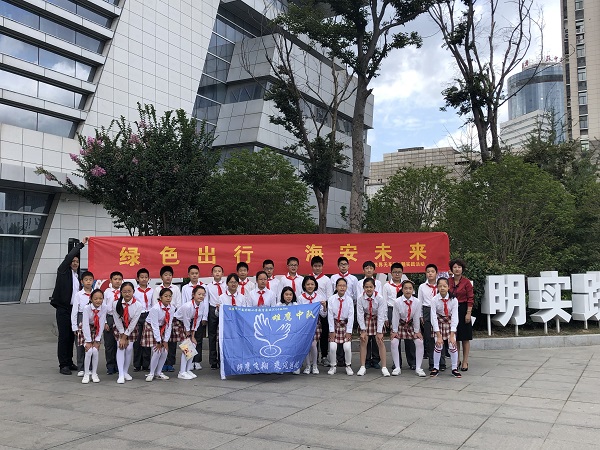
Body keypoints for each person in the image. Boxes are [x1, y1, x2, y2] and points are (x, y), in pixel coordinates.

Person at [51, 236, 88, 375]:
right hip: (63, 309)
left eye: (77, 262)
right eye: (73, 261)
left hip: (74, 310)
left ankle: (69, 361)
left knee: (72, 337)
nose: (75, 263)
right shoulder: (63, 271)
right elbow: (69, 257)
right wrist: (81, 245)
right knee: (64, 337)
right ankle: (63, 364)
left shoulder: (77, 277)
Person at [391, 280, 426, 377]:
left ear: (413, 290)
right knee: (394, 342)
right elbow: (395, 317)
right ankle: (397, 367)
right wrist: (394, 331)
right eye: (405, 288)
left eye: (410, 288)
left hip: (411, 324)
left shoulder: (417, 301)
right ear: (402, 290)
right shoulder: (397, 301)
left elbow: (416, 317)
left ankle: (418, 367)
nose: (408, 290)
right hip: (400, 324)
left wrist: (417, 331)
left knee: (419, 342)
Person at [382, 263, 414, 369]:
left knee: (409, 337)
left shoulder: (406, 284)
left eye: (399, 272)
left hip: (406, 310)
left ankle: (412, 361)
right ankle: (397, 362)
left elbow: (412, 298)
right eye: (395, 272)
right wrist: (385, 317)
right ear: (391, 273)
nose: (397, 274)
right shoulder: (387, 286)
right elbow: (384, 302)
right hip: (392, 310)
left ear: (402, 273)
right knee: (395, 337)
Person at [356, 277, 389, 377]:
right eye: (366, 287)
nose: (369, 289)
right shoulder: (360, 298)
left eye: (371, 287)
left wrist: (379, 331)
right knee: (363, 340)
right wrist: (363, 330)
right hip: (366, 318)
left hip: (377, 318)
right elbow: (360, 314)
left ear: (374, 287)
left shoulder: (380, 298)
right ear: (363, 288)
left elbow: (381, 314)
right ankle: (362, 366)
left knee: (380, 341)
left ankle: (384, 367)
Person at [430, 277, 461, 378]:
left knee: (452, 345)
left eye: (444, 286)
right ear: (437, 287)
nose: (442, 288)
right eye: (440, 286)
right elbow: (433, 318)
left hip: (450, 323)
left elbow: (455, 317)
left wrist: (452, 335)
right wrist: (438, 335)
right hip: (439, 323)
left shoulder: (454, 300)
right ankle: (436, 367)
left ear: (448, 287)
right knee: (438, 345)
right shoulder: (434, 300)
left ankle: (454, 368)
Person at [174, 285, 207, 379]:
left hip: (189, 324)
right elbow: (186, 320)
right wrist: (188, 334)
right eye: (199, 294)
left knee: (193, 345)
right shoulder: (187, 306)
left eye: (203, 295)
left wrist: (193, 335)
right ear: (193, 294)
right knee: (187, 346)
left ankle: (188, 369)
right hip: (178, 323)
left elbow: (197, 320)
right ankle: (182, 372)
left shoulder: (202, 305)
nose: (201, 296)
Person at [141, 288, 174, 382]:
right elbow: (154, 325)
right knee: (157, 350)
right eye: (166, 296)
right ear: (160, 297)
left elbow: (169, 324)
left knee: (165, 351)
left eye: (170, 296)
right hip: (151, 327)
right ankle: (151, 373)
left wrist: (166, 340)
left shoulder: (172, 308)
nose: (168, 298)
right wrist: (159, 341)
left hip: (163, 327)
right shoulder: (155, 308)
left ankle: (159, 372)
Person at [113, 282, 143, 384]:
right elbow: (117, 320)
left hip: (131, 328)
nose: (127, 294)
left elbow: (133, 322)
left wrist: (125, 336)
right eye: (124, 292)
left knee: (129, 348)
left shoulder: (138, 305)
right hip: (120, 327)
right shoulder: (115, 304)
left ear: (133, 292)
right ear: (121, 292)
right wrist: (122, 336)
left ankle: (125, 371)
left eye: (129, 291)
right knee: (121, 347)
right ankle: (121, 374)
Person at [449, 258, 474, 371]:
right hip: (451, 311)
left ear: (462, 269)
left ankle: (465, 361)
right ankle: (457, 360)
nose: (457, 269)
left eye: (459, 267)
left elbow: (470, 298)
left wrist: (468, 313)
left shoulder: (466, 282)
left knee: (465, 337)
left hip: (463, 310)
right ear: (451, 269)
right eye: (454, 267)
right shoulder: (448, 281)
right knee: (456, 336)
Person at [154, 265, 181, 373]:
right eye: (166, 275)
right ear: (161, 277)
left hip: (172, 316)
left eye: (170, 275)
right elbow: (155, 303)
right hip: (160, 318)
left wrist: (173, 313)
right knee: (161, 340)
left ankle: (170, 363)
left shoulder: (176, 289)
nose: (168, 277)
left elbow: (178, 304)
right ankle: (162, 364)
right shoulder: (157, 289)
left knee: (172, 341)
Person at [297, 276, 326, 374]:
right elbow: (299, 312)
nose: (310, 286)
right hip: (305, 324)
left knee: (313, 345)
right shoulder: (300, 298)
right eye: (308, 284)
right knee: (306, 345)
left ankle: (315, 365)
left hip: (315, 324)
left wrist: (324, 307)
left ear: (315, 285)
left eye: (312, 284)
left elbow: (323, 314)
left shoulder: (319, 297)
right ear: (304, 286)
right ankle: (308, 365)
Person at [358, 261, 383, 368]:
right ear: (363, 270)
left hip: (376, 313)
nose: (369, 270)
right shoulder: (359, 283)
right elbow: (359, 296)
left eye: (371, 268)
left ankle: (376, 359)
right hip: (365, 313)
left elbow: (380, 298)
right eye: (366, 268)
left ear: (374, 270)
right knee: (366, 339)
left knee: (376, 338)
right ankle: (367, 360)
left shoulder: (378, 283)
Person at [327, 278, 354, 376]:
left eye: (344, 286)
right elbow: (330, 316)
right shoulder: (331, 299)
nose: (342, 287)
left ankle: (348, 365)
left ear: (346, 287)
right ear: (336, 287)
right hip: (335, 325)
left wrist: (349, 331)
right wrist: (331, 330)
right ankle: (333, 366)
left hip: (345, 325)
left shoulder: (349, 300)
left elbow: (351, 316)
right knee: (333, 347)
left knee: (347, 347)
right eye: (340, 285)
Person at [418, 264, 442, 371]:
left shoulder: (441, 285)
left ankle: (441, 362)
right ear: (425, 273)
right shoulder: (422, 287)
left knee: (440, 336)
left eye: (432, 271)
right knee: (429, 337)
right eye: (428, 272)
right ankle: (432, 362)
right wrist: (421, 315)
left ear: (436, 273)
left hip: (439, 310)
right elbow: (419, 302)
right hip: (427, 310)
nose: (430, 273)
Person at [80, 289, 107, 384]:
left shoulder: (104, 307)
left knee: (95, 350)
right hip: (86, 330)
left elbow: (102, 323)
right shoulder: (86, 308)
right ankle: (86, 373)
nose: (98, 301)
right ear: (91, 299)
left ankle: (94, 373)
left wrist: (97, 339)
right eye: (95, 299)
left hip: (97, 329)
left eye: (100, 298)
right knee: (89, 351)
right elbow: (85, 324)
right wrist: (88, 340)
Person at [310, 256, 333, 367]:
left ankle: (324, 356)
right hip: (311, 310)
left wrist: (325, 306)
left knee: (324, 333)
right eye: (315, 266)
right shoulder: (309, 279)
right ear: (312, 267)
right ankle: (314, 357)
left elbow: (329, 296)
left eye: (319, 266)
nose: (317, 268)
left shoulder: (326, 280)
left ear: (322, 267)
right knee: (313, 334)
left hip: (323, 309)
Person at [70, 270, 94, 376]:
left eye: (90, 280)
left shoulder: (95, 293)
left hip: (92, 319)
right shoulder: (78, 295)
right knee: (80, 344)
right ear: (82, 282)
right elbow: (74, 311)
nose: (88, 282)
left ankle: (90, 367)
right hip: (81, 317)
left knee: (91, 344)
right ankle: (81, 368)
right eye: (86, 280)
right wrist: (74, 326)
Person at [103, 271, 123, 375]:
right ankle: (110, 366)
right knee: (109, 344)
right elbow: (103, 308)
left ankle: (119, 365)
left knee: (119, 343)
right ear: (110, 280)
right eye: (115, 279)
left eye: (119, 279)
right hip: (109, 317)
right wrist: (105, 322)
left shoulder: (123, 292)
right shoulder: (107, 292)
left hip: (120, 318)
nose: (117, 281)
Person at [133, 268, 153, 372]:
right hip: (138, 315)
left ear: (149, 279)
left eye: (146, 277)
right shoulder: (135, 291)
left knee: (147, 340)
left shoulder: (152, 291)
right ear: (137, 279)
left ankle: (146, 364)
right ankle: (137, 364)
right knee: (137, 340)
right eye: (142, 277)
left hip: (148, 314)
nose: (144, 279)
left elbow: (153, 304)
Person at [206, 265, 225, 369]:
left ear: (222, 273)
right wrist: (205, 316)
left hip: (223, 310)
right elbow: (206, 301)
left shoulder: (226, 285)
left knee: (221, 335)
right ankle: (213, 361)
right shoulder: (208, 286)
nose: (217, 273)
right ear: (212, 273)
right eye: (215, 271)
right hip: (212, 309)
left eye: (219, 271)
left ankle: (221, 359)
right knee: (212, 335)